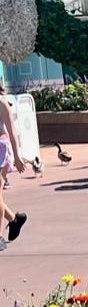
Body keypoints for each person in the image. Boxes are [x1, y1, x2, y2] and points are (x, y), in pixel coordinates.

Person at [0, 94, 27, 249]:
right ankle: (14, 219)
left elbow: (12, 131)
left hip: (1, 149)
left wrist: (17, 156)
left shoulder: (2, 103)